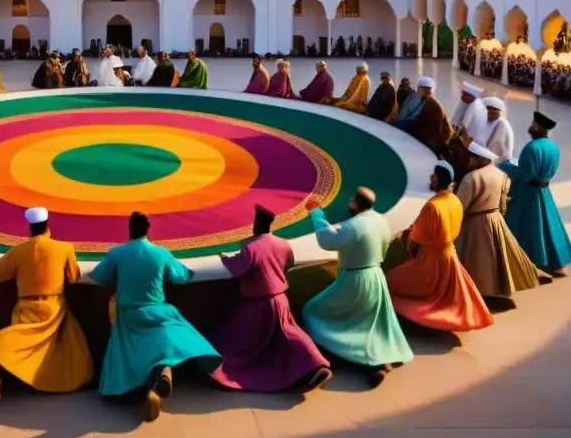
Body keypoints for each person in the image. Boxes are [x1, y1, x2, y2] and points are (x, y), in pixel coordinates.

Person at [91, 212, 221, 422]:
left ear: (129, 230)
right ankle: (161, 376)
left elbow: (100, 277)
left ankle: (144, 384)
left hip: (128, 315)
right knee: (165, 343)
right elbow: (180, 276)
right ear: (148, 230)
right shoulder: (161, 254)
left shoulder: (117, 253)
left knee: (128, 351)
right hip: (157, 312)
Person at [0, 207, 94, 398]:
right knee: (71, 344)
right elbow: (73, 276)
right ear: (48, 227)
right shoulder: (63, 248)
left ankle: (2, 369)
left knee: (21, 337)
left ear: (30, 228)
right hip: (54, 307)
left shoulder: (19, 251)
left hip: (27, 306)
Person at [208, 206, 331, 393]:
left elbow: (236, 268)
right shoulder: (282, 244)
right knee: (292, 333)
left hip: (258, 303)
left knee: (236, 338)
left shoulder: (251, 248)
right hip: (281, 300)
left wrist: (224, 257)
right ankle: (317, 363)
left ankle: (221, 367)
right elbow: (288, 264)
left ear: (256, 226)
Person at [302, 188, 413, 388]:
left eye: (353, 200)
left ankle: (353, 359)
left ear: (357, 204)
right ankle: (376, 359)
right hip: (376, 276)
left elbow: (327, 240)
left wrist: (316, 212)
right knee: (369, 323)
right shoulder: (380, 220)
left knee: (313, 311)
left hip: (355, 279)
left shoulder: (353, 226)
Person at [386, 161, 494, 332]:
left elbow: (419, 234)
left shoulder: (433, 206)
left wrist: (410, 235)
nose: (431, 178)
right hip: (450, 255)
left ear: (439, 179)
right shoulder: (455, 200)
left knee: (391, 281)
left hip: (432, 259)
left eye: (434, 175)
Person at [455, 143, 548, 305]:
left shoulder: (471, 178)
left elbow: (460, 206)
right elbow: (503, 202)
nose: (469, 161)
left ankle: (476, 290)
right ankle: (498, 289)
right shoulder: (501, 175)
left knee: (476, 260)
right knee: (498, 258)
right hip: (496, 218)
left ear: (479, 160)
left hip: (475, 223)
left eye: (472, 158)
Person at [498, 111, 571, 276]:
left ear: (539, 127)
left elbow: (525, 175)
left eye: (533, 124)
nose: (531, 127)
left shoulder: (531, 148)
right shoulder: (554, 147)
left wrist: (505, 166)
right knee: (548, 226)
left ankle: (524, 261)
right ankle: (554, 261)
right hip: (544, 191)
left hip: (527, 194)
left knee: (523, 227)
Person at [407, 77, 453, 157]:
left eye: (419, 88)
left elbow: (427, 127)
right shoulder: (428, 101)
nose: (417, 90)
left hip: (432, 144)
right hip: (431, 142)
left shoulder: (431, 104)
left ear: (427, 89)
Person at [481, 97, 514, 163]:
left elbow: (507, 154)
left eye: (494, 110)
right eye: (488, 109)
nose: (490, 112)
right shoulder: (480, 122)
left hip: (496, 164)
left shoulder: (504, 125)